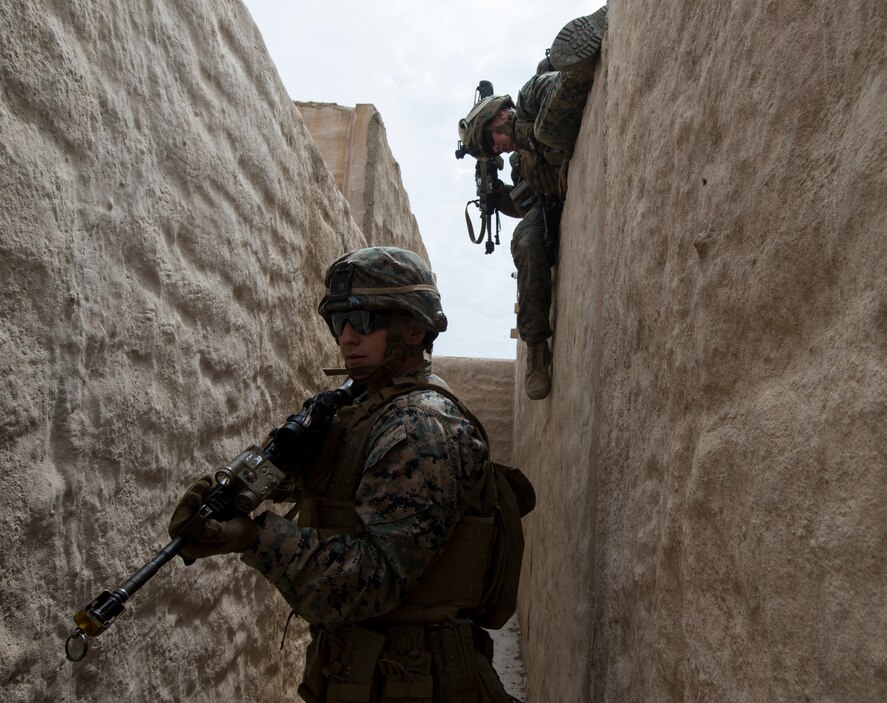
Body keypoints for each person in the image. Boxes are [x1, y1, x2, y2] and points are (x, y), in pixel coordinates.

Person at [168, 246, 520, 702]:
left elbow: (375, 579)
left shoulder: (419, 426)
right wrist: (231, 497)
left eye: (366, 320)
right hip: (365, 672)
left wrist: (252, 539)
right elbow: (327, 484)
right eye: (339, 322)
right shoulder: (363, 409)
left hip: (417, 680)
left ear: (414, 327)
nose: (348, 337)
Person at [457, 5, 607, 400]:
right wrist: (496, 196)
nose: (497, 148)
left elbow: (547, 95)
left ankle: (578, 58)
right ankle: (537, 350)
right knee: (524, 240)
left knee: (544, 124)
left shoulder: (526, 98)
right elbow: (524, 205)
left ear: (498, 116)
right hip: (552, 200)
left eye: (492, 141)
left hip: (562, 112)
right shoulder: (519, 164)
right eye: (491, 150)